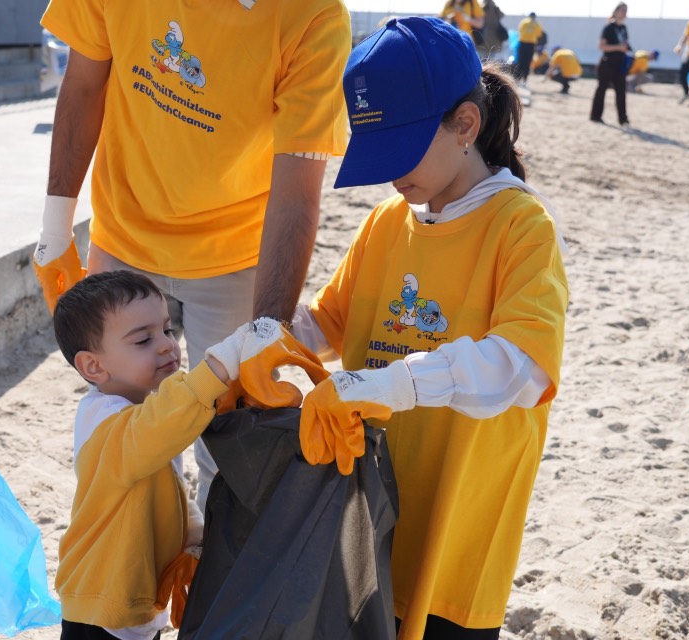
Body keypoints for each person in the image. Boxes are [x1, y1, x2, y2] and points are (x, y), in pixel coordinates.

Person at [290, 17, 567, 640]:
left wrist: (395, 384)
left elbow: (522, 365)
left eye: (401, 151)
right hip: (371, 509)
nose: (391, 175)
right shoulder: (389, 221)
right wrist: (270, 334)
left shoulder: (521, 227)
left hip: (460, 520)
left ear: (465, 125)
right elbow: (330, 323)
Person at [33, 0, 350, 509]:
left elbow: (297, 190)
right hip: (123, 234)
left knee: (228, 445)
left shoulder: (313, 16)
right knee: (126, 437)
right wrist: (55, 231)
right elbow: (84, 84)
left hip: (235, 255)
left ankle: (211, 576)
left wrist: (265, 331)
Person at [51, 271, 255, 640]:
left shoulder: (139, 409)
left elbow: (169, 489)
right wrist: (222, 363)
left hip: (136, 602)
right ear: (94, 366)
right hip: (101, 606)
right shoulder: (107, 422)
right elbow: (165, 421)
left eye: (167, 329)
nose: (166, 345)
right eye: (143, 339)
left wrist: (195, 536)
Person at [591, 2, 631, 125]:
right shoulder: (608, 28)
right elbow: (602, 46)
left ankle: (622, 118)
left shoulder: (624, 28)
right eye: (622, 10)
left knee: (621, 91)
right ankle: (596, 115)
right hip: (608, 62)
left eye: (626, 11)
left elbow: (625, 45)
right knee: (602, 89)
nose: (624, 13)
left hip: (620, 63)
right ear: (616, 11)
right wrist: (618, 47)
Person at [514, 12, 542, 83]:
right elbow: (539, 35)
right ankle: (525, 80)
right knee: (527, 63)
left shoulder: (523, 22)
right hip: (531, 45)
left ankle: (517, 79)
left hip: (522, 43)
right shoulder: (537, 24)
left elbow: (519, 31)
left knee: (520, 62)